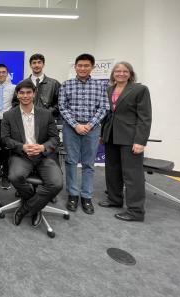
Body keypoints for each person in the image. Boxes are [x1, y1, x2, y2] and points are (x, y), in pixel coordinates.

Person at [2, 80, 63, 227]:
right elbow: (5, 139)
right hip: (22, 155)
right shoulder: (9, 115)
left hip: (44, 156)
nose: (25, 96)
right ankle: (37, 205)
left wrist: (42, 147)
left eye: (28, 92)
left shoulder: (46, 114)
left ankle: (26, 208)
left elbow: (55, 138)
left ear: (34, 94)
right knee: (15, 176)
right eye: (21, 93)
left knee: (56, 184)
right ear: (17, 95)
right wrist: (22, 147)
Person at [99, 62, 152, 222]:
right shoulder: (109, 89)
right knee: (112, 170)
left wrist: (140, 141)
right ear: (113, 74)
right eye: (117, 71)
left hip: (130, 137)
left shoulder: (140, 90)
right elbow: (108, 114)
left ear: (130, 74)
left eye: (124, 71)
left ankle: (136, 211)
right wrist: (103, 134)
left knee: (132, 174)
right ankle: (115, 200)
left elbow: (145, 117)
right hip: (111, 136)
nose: (120, 73)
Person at [59, 53, 110, 214]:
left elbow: (104, 107)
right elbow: (62, 107)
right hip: (71, 129)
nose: (82, 68)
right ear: (75, 67)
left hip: (92, 129)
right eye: (80, 65)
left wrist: (90, 124)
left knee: (88, 164)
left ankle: (86, 196)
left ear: (92, 67)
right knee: (71, 161)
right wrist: (75, 125)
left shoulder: (100, 85)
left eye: (86, 66)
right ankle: (73, 195)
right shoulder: (66, 85)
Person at [24, 53, 61, 119]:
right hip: (27, 120)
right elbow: (16, 103)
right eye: (34, 63)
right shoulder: (23, 84)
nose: (37, 65)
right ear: (30, 65)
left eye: (39, 62)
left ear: (43, 65)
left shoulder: (54, 83)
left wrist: (47, 112)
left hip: (48, 120)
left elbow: (60, 103)